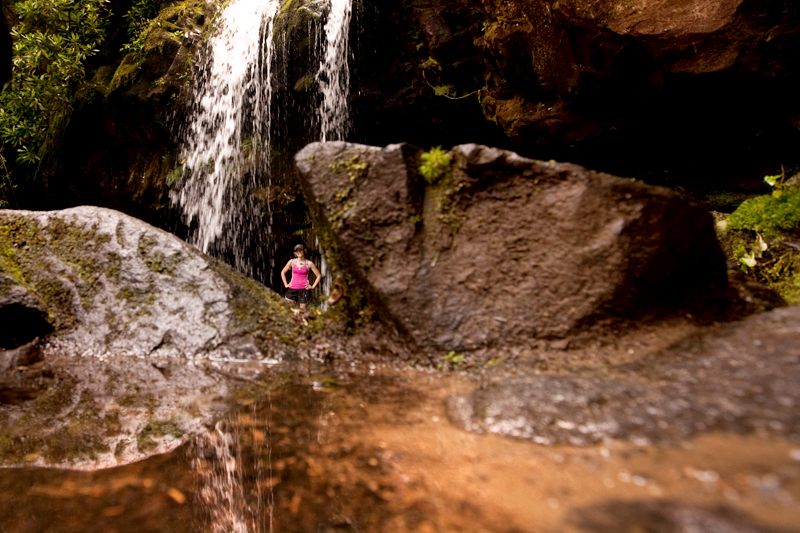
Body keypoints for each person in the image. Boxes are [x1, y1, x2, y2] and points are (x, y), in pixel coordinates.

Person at [281, 244, 321, 310]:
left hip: (304, 290)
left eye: (300, 250)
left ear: (304, 251)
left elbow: (318, 275)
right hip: (292, 288)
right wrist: (286, 284)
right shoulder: (292, 262)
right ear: (295, 253)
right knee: (288, 309)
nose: (299, 252)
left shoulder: (309, 263)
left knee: (302, 311)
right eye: (297, 251)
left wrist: (313, 286)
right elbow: (283, 272)